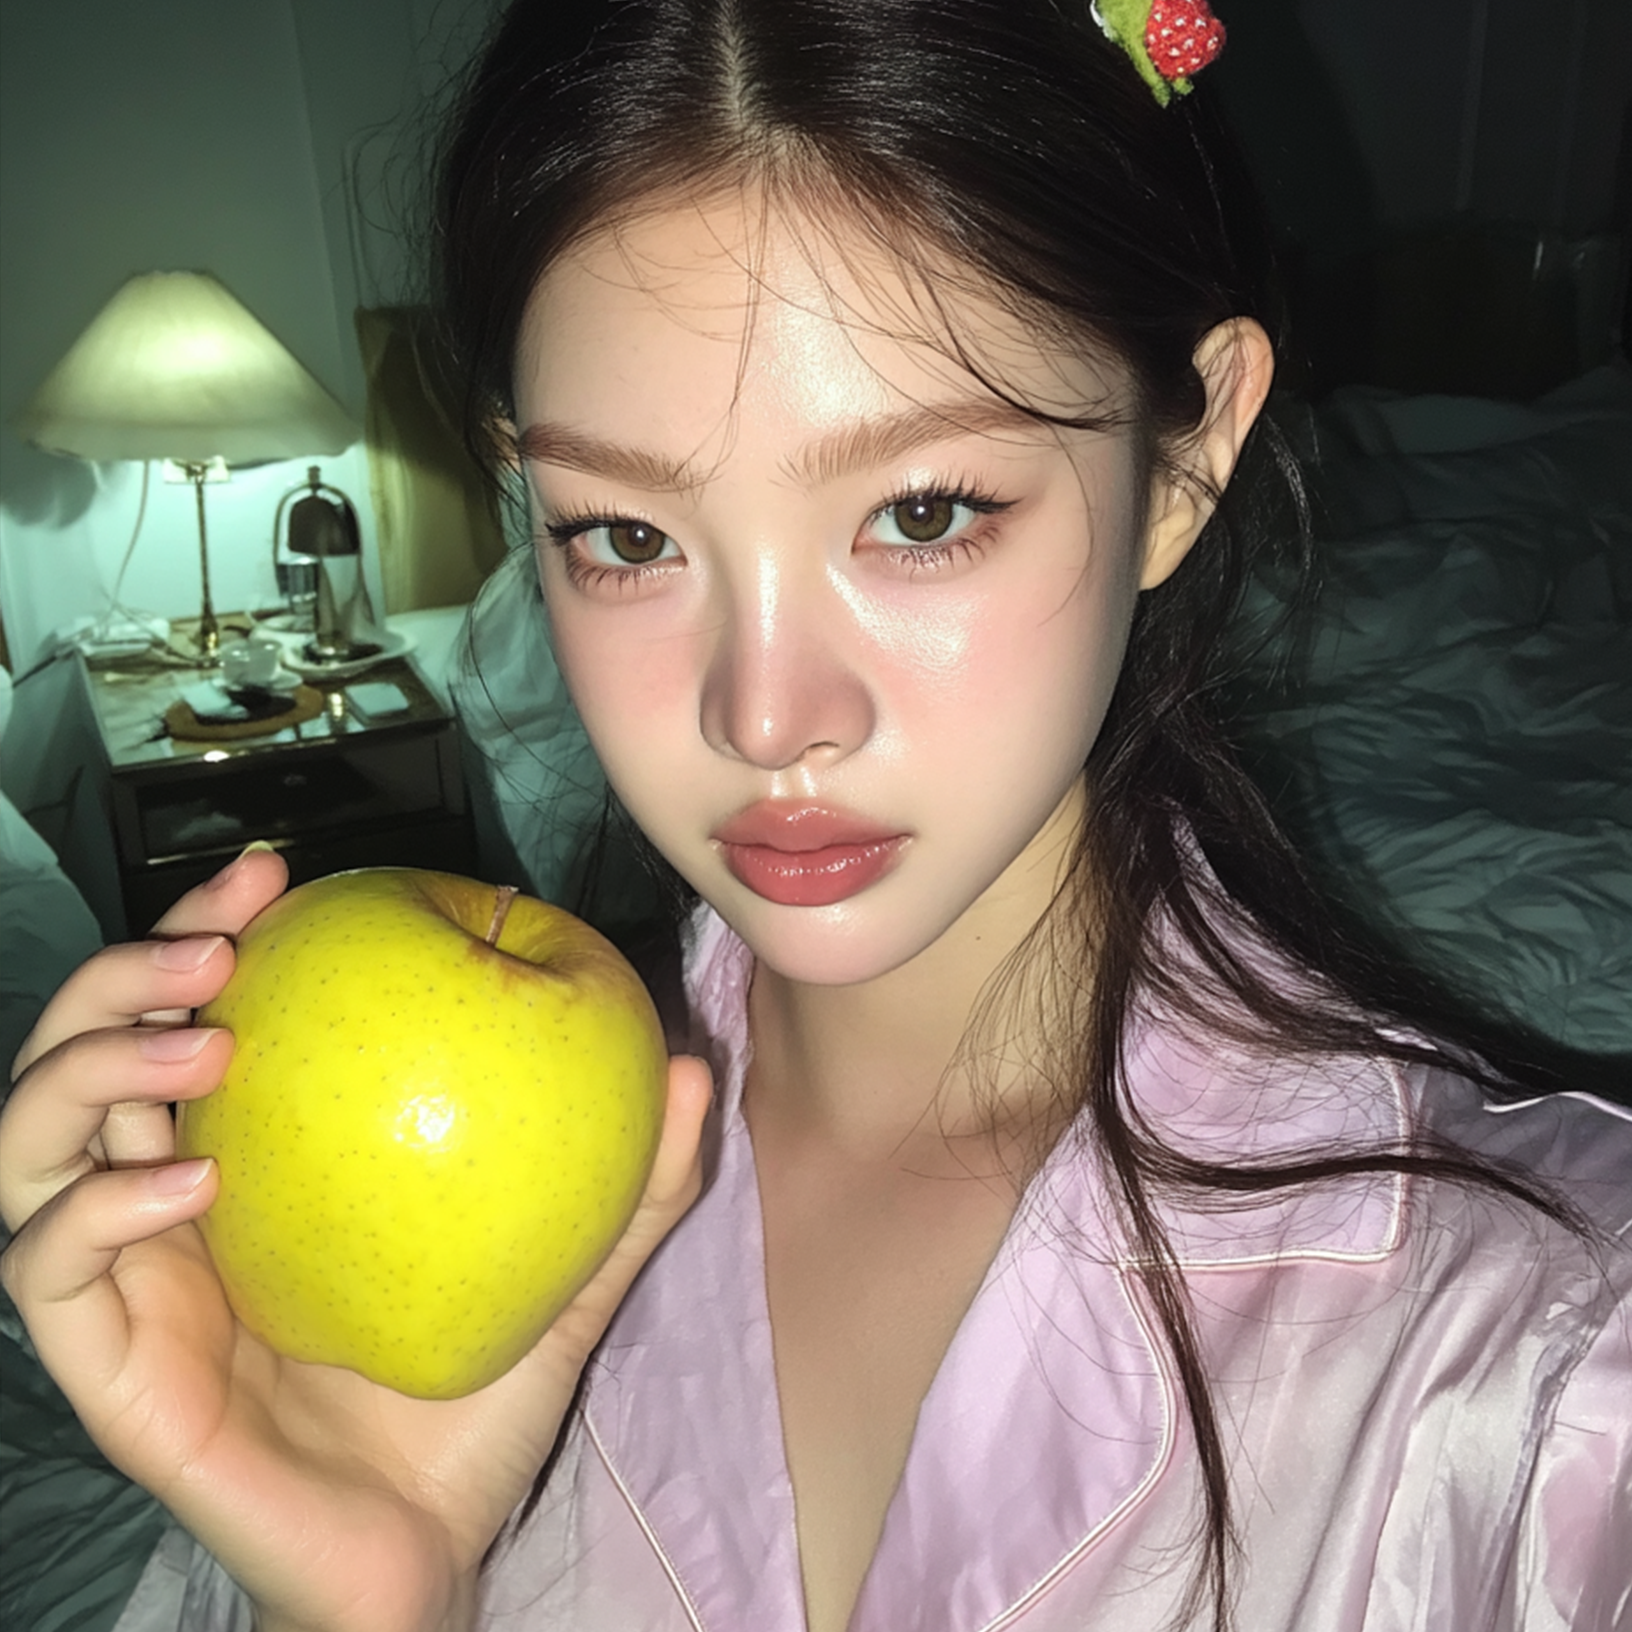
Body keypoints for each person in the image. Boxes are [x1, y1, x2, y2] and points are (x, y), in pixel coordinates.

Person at [2, 3, 1628, 1629]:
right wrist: (358, 1600)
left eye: (921, 513)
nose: (763, 717)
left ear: (1184, 463)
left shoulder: (1550, 1371)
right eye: (627, 536)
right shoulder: (387, 1244)